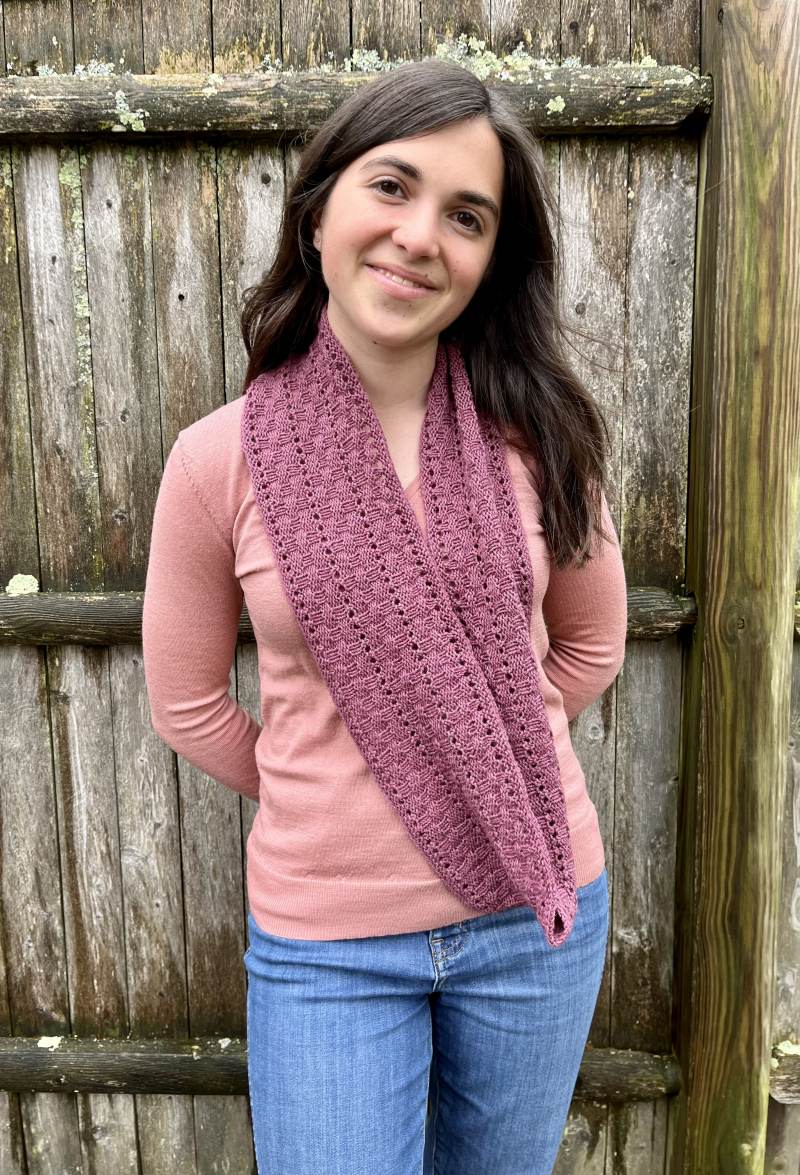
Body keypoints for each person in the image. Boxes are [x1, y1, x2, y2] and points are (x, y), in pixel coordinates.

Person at [142, 57, 627, 1175]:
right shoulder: (216, 461)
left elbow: (592, 644)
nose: (420, 236)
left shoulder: (541, 439)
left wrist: (472, 748)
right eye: (392, 187)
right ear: (319, 212)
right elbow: (186, 704)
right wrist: (345, 778)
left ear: (489, 261)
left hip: (535, 916)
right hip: (326, 946)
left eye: (466, 216)